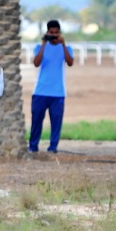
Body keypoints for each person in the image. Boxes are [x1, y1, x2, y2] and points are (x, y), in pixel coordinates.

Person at [30, 19, 74, 153]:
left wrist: (63, 44)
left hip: (58, 93)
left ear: (59, 33)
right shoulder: (39, 47)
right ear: (47, 33)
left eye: (56, 33)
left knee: (56, 122)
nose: (54, 35)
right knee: (36, 121)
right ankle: (33, 146)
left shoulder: (66, 48)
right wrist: (44, 43)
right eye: (51, 33)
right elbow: (36, 63)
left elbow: (70, 62)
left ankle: (53, 147)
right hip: (40, 91)